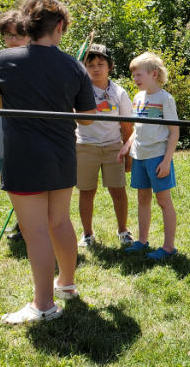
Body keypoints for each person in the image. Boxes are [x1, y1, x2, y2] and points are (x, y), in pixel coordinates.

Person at [0, 0, 97, 324]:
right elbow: (89, 117)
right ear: (60, 26)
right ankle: (66, 284)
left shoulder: (5, 60)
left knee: (35, 231)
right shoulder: (73, 66)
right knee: (59, 221)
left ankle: (45, 304)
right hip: (62, 156)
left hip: (24, 158)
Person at [117, 52, 179, 261]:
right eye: (133, 75)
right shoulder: (138, 98)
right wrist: (127, 145)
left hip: (157, 157)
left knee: (163, 202)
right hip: (140, 157)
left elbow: (174, 132)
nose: (135, 79)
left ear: (154, 74)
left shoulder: (165, 99)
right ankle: (142, 241)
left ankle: (169, 247)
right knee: (142, 199)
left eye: (138, 75)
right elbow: (138, 127)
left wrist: (166, 161)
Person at [75, 44, 134, 248]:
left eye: (101, 64)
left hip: (113, 149)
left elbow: (127, 125)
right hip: (85, 147)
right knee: (86, 191)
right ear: (84, 68)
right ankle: (87, 234)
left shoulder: (119, 92)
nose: (96, 69)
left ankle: (123, 230)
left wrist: (128, 154)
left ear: (110, 66)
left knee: (118, 191)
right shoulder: (79, 90)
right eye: (90, 65)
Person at [0, 9, 30, 242]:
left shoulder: (32, 60)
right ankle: (23, 218)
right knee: (0, 171)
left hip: (24, 128)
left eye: (18, 35)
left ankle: (27, 224)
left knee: (22, 175)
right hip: (2, 121)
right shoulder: (2, 59)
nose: (12, 41)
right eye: (8, 35)